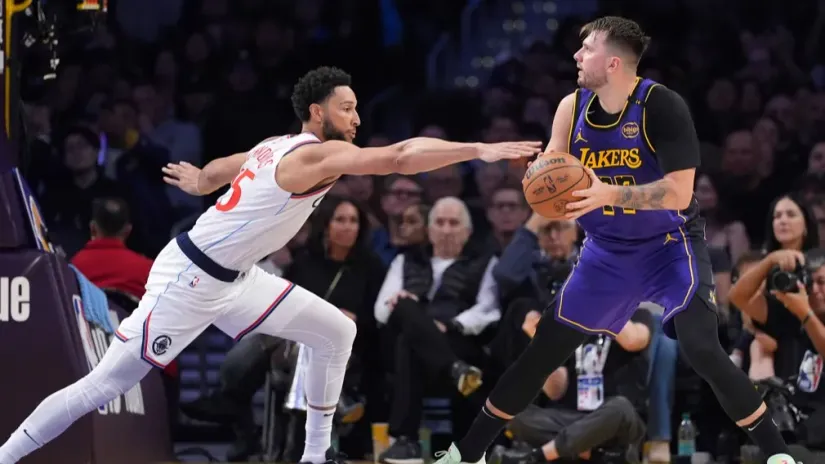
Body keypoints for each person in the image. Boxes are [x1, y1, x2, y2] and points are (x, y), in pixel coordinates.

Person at [0, 66, 541, 464]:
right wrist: (479, 149)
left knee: (334, 332)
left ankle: (314, 456)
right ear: (317, 113)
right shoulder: (312, 155)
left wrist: (200, 181)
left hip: (237, 278)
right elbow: (399, 157)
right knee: (105, 384)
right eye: (346, 108)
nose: (356, 118)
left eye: (356, 108)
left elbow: (218, 171)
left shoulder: (276, 144)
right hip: (189, 279)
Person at [432, 17, 797, 464]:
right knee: (543, 349)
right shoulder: (571, 107)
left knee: (702, 347)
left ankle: (781, 456)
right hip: (606, 252)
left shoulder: (662, 106)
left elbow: (680, 193)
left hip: (669, 243)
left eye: (586, 48)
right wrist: (541, 177)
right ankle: (464, 455)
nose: (576, 55)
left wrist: (608, 192)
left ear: (613, 61)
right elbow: (554, 167)